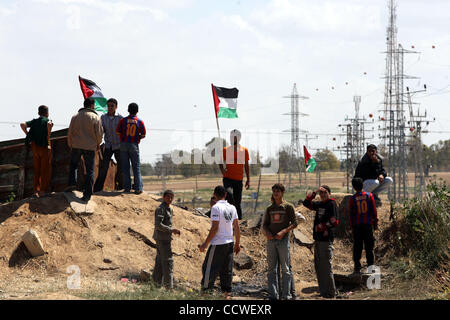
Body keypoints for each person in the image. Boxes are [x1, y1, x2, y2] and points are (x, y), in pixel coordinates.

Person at [199, 186, 240, 299]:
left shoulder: (216, 208)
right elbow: (236, 227)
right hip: (229, 243)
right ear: (225, 195)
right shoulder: (232, 207)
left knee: (208, 268)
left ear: (215, 195)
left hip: (218, 243)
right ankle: (226, 294)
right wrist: (237, 243)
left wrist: (205, 244)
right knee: (226, 269)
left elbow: (214, 228)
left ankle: (205, 293)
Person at [262, 183, 298, 300]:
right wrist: (267, 233)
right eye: (274, 191)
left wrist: (283, 232)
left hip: (283, 241)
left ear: (282, 192)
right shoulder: (270, 208)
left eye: (278, 191)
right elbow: (265, 225)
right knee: (272, 270)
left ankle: (286, 295)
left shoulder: (288, 207)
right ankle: (273, 295)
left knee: (285, 269)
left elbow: (294, 223)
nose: (276, 193)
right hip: (271, 241)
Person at [303, 185, 339, 299]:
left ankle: (331, 292)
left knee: (326, 267)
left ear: (329, 193)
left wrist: (323, 227)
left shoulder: (331, 204)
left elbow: (335, 221)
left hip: (326, 240)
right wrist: (314, 192)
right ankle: (323, 292)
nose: (323, 195)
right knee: (319, 267)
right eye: (321, 193)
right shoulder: (320, 204)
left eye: (325, 192)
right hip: (318, 240)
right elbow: (306, 203)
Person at [67, 98, 103, 202]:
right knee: (90, 170)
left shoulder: (75, 116)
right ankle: (87, 195)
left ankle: (72, 184)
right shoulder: (96, 117)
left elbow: (70, 132)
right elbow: (99, 134)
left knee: (73, 166)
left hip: (76, 146)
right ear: (92, 105)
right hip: (90, 147)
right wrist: (97, 144)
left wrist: (70, 144)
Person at [20, 105, 54, 197]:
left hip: (35, 147)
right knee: (45, 170)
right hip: (45, 147)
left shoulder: (34, 121)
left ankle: (35, 191)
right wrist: (48, 135)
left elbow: (22, 124)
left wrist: (28, 134)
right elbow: (49, 125)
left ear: (39, 113)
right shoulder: (47, 120)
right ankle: (42, 191)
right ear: (47, 113)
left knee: (37, 170)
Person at [152, 190, 181, 289]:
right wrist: (171, 230)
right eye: (168, 197)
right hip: (162, 239)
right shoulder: (161, 209)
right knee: (168, 262)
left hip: (164, 238)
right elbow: (158, 225)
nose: (170, 199)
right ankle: (169, 288)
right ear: (163, 197)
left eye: (172, 197)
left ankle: (155, 286)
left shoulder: (169, 208)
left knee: (160, 262)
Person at [219, 129, 250, 220]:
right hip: (228, 178)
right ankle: (228, 217)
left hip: (238, 179)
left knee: (237, 201)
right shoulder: (225, 150)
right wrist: (222, 170)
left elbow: (247, 166)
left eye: (234, 136)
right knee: (229, 195)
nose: (232, 138)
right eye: (231, 136)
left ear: (239, 138)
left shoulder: (244, 150)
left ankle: (239, 220)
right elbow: (220, 162)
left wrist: (248, 179)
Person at [116, 103, 146, 194]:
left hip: (124, 144)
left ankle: (127, 188)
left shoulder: (123, 120)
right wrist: (137, 138)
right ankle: (138, 188)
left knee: (125, 167)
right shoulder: (139, 121)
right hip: (134, 145)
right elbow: (143, 135)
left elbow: (117, 132)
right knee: (136, 167)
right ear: (137, 111)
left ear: (128, 110)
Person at [93, 98, 123, 192]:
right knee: (104, 167)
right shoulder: (103, 117)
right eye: (108, 106)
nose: (110, 108)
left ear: (116, 107)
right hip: (108, 145)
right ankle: (98, 188)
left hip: (119, 145)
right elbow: (101, 131)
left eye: (112, 106)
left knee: (121, 167)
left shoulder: (120, 118)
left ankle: (122, 186)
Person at [349, 177, 378, 274]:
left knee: (357, 246)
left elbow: (351, 215)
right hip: (367, 225)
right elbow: (373, 211)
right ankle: (370, 266)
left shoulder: (353, 199)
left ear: (353, 187)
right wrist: (375, 223)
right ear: (363, 185)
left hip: (357, 226)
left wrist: (352, 227)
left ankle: (357, 266)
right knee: (369, 246)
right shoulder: (369, 196)